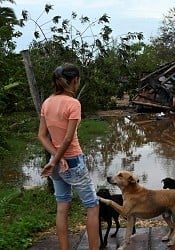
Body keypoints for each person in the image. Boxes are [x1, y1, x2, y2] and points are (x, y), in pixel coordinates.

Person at [38, 63, 99, 250]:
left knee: (62, 206)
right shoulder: (73, 103)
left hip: (56, 163)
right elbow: (68, 139)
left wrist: (54, 159)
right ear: (75, 80)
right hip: (72, 160)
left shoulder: (47, 102)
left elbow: (41, 135)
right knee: (92, 206)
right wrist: (59, 159)